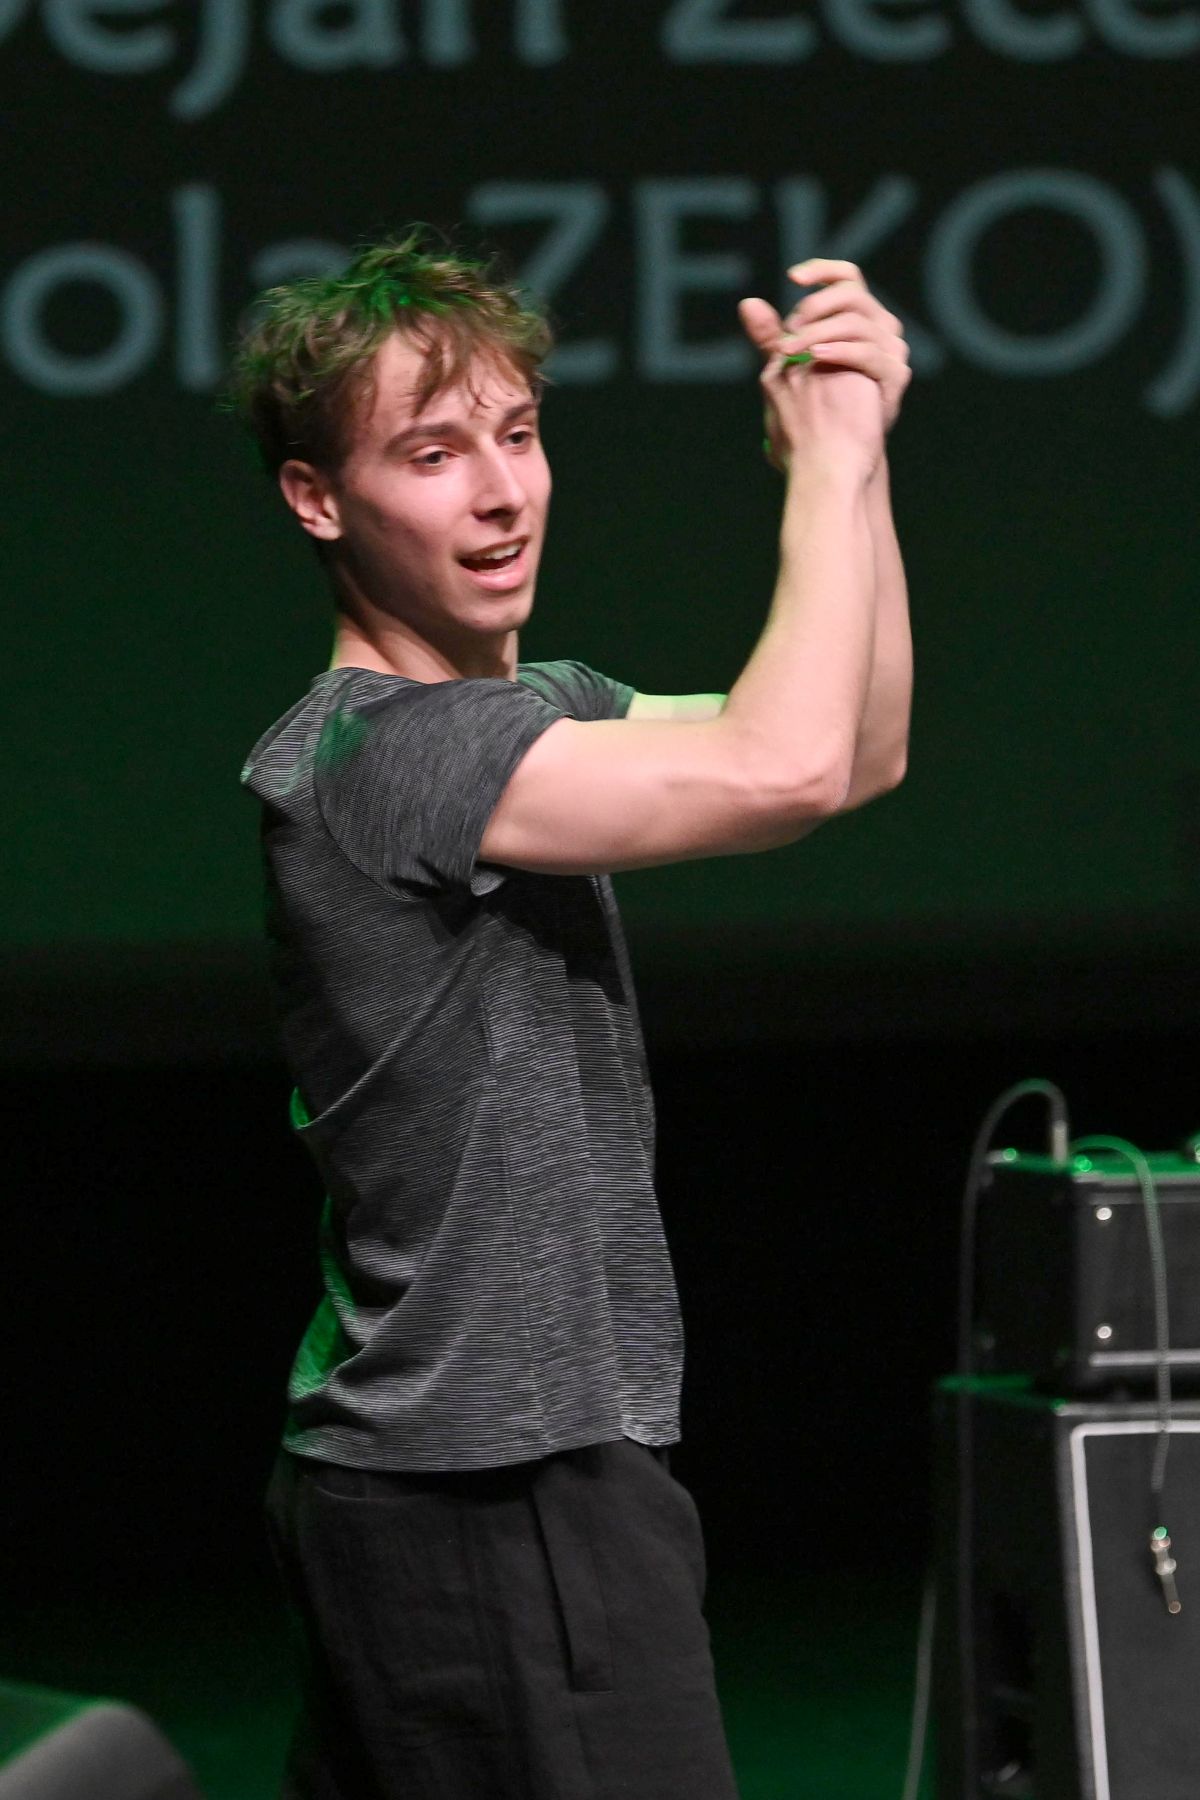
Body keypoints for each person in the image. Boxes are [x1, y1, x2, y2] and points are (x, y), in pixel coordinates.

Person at [231, 227, 912, 1800]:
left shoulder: (530, 713)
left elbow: (851, 754)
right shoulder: (383, 750)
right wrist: (821, 469)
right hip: (494, 1483)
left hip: (458, 1474)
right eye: (432, 454)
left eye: (519, 435)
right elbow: (783, 764)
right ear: (317, 499)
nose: (501, 493)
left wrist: (858, 457)